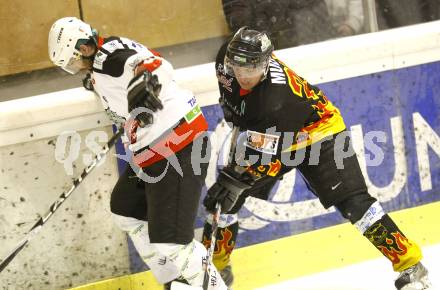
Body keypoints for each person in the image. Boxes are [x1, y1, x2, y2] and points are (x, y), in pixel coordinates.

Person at [202, 26, 432, 290]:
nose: (243, 76)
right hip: (268, 133)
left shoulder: (277, 101)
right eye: (238, 68)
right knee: (224, 204)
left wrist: (234, 179)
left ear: (266, 65)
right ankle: (212, 272)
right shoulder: (224, 62)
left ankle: (411, 265)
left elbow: (262, 155)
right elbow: (238, 110)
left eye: (251, 70)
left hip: (319, 133)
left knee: (355, 205)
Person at [48, 17, 227, 290]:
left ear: (84, 48)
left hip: (178, 146)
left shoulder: (109, 56)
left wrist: (143, 79)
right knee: (125, 210)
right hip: (155, 151)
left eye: (73, 62)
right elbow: (117, 76)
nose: (76, 69)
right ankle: (174, 281)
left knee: (171, 242)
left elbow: (154, 65)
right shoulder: (103, 59)